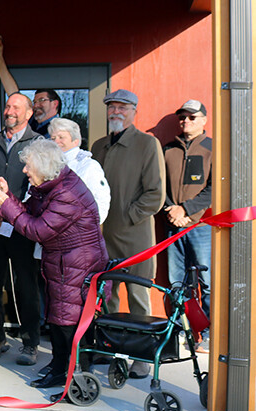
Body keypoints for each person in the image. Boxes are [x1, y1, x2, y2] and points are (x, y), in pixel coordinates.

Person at [0, 139, 108, 388]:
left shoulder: (66, 193)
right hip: (64, 262)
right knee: (58, 318)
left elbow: (37, 230)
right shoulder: (51, 185)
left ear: (44, 167)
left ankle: (74, 378)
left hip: (77, 264)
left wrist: (7, 206)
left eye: (28, 166)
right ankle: (59, 367)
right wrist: (8, 197)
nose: (24, 170)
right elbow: (29, 212)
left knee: (69, 322)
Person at [91, 89, 165, 378]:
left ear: (134, 110)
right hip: (103, 237)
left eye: (122, 107)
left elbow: (155, 195)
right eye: (111, 107)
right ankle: (112, 350)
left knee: (138, 298)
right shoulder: (99, 146)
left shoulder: (148, 144)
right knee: (108, 297)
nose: (116, 112)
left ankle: (141, 357)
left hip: (135, 238)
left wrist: (127, 217)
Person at [0, 92, 42, 364]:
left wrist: (11, 210)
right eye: (7, 106)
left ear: (28, 114)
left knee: (26, 286)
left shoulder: (38, 143)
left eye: (16, 107)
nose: (9, 110)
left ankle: (30, 343)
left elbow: (40, 186)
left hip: (22, 227)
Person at [164, 100, 212, 323]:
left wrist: (186, 211)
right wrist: (172, 211)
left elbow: (216, 189)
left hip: (201, 227)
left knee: (207, 280)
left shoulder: (214, 149)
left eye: (192, 117)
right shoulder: (167, 150)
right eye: (182, 117)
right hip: (173, 225)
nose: (186, 121)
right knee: (176, 282)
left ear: (204, 120)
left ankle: (208, 331)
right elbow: (158, 185)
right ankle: (181, 331)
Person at [48, 117, 110, 224]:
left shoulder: (89, 166)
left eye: (61, 137)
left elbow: (101, 202)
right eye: (53, 138)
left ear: (75, 141)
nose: (56, 141)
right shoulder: (45, 165)